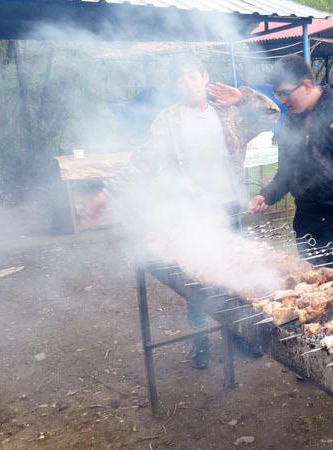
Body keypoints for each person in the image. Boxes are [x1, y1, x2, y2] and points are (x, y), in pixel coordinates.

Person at [86, 55, 280, 370]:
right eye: (180, 79)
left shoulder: (228, 114)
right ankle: (200, 339)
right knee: (197, 278)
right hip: (191, 213)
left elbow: (271, 113)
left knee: (235, 273)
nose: (187, 84)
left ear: (205, 78)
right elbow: (143, 159)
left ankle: (239, 333)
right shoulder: (167, 120)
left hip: (227, 207)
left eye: (192, 77)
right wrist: (108, 192)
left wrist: (243, 97)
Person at [248, 55, 333, 275]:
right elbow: (286, 173)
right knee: (311, 283)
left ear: (307, 85)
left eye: (285, 93)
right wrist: (266, 195)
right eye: (277, 94)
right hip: (308, 220)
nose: (282, 100)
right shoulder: (290, 122)